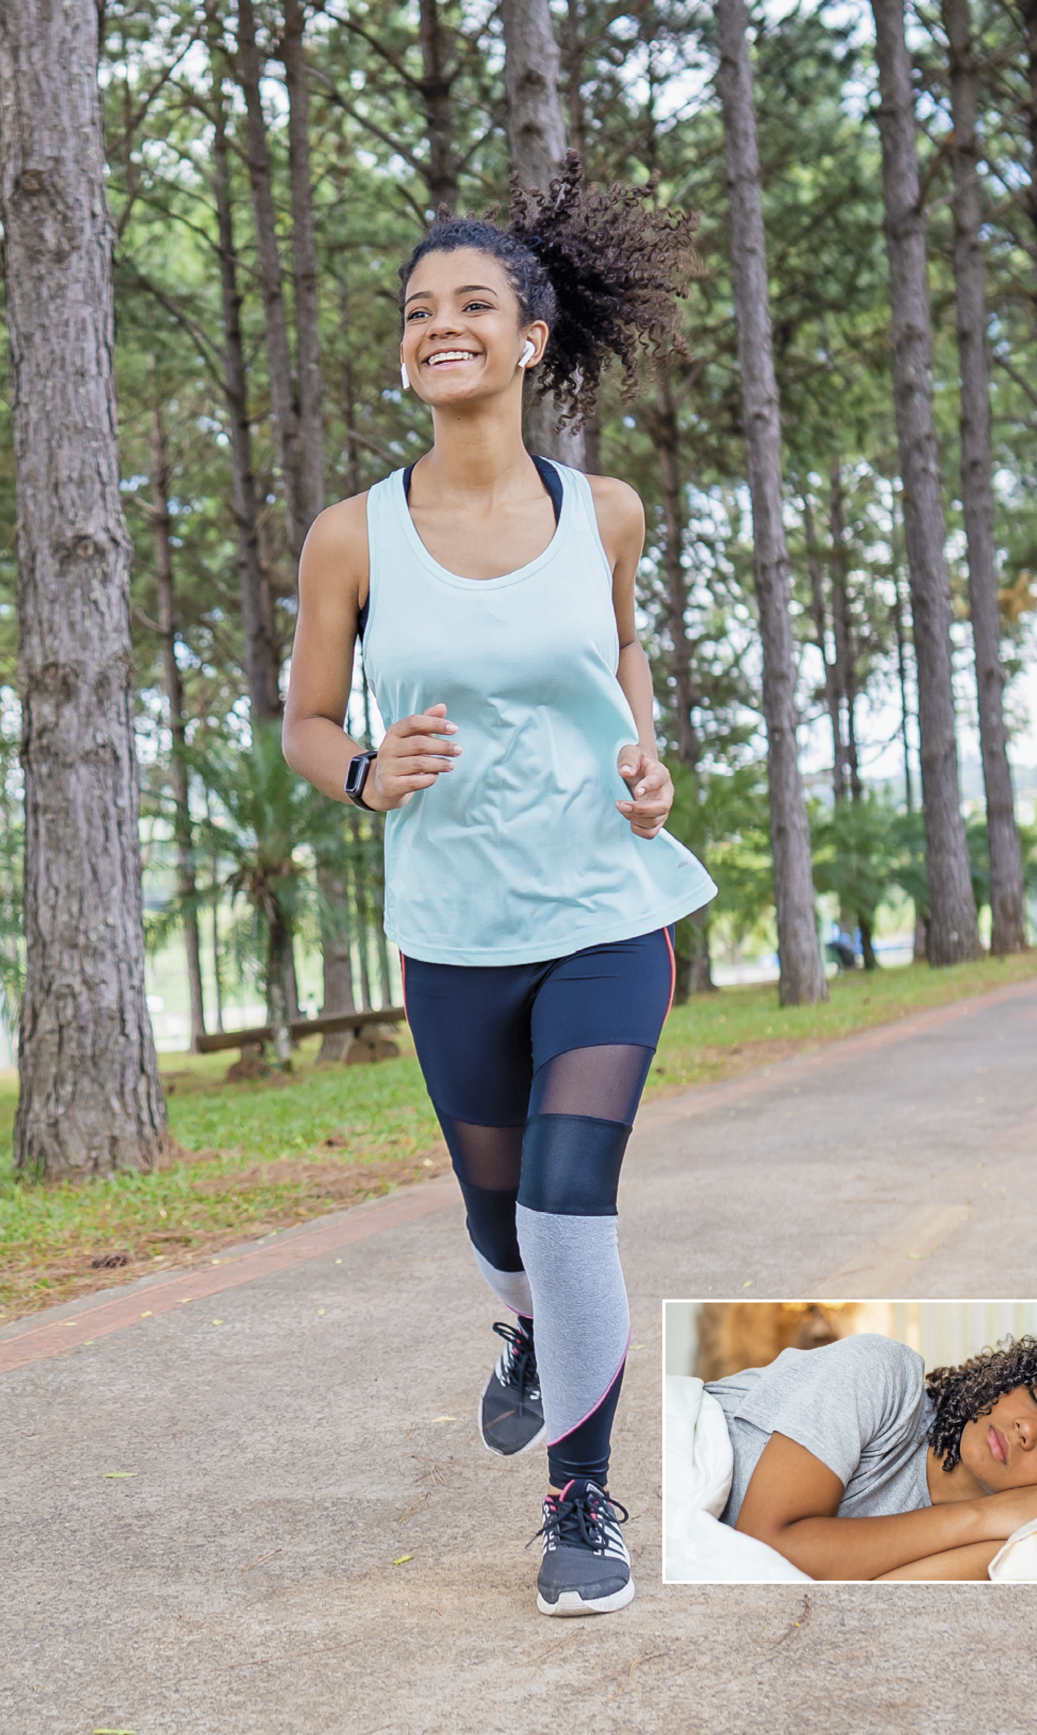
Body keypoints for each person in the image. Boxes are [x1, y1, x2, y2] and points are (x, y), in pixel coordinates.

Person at [282, 157, 715, 1617]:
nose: (440, 326)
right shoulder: (354, 535)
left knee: (566, 1199)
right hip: (454, 929)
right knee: (495, 1217)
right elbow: (307, 721)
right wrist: (361, 773)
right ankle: (524, 1332)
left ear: (533, 339)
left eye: (474, 304)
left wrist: (648, 757)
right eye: (419, 311)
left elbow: (623, 657)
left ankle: (583, 1501)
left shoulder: (605, 511)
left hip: (606, 905)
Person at [705, 1330, 1037, 1580]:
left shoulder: (1004, 1542)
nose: (1027, 1428)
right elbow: (763, 1547)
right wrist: (984, 1513)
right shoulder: (881, 1376)